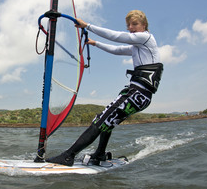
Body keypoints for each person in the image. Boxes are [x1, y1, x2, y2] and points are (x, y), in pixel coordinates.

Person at [46, 10, 163, 166]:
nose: (130, 27)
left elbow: (117, 36)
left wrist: (87, 25)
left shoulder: (145, 38)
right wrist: (95, 43)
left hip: (137, 93)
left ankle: (68, 156)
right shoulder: (138, 47)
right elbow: (117, 50)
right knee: (108, 121)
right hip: (139, 95)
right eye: (128, 25)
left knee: (101, 120)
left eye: (134, 24)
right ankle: (100, 154)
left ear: (144, 25)